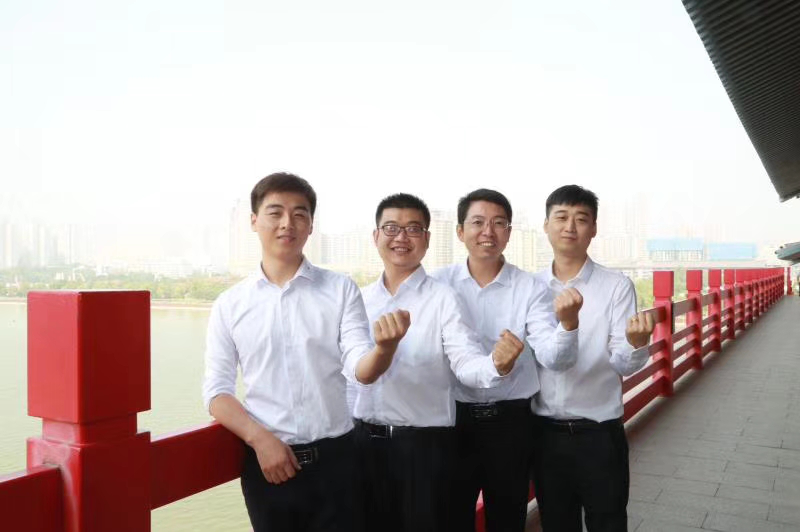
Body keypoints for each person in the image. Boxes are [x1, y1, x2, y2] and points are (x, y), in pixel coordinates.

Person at [202, 172, 410, 532]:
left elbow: (360, 368)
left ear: (311, 225)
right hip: (268, 464)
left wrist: (385, 349)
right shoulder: (230, 305)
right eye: (275, 212)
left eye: (299, 214)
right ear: (253, 221)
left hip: (339, 462)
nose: (288, 223)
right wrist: (259, 439)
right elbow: (216, 392)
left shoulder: (340, 289)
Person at [351, 193, 525, 532]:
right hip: (364, 446)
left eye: (413, 228)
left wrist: (496, 365)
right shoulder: (359, 300)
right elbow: (348, 378)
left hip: (425, 449)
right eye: (391, 228)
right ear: (375, 236)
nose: (402, 237)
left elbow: (465, 362)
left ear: (427, 239)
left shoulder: (444, 298)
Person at [432, 188, 579, 532]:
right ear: (460, 231)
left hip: (511, 424)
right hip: (453, 421)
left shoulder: (530, 288)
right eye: (478, 222)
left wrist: (569, 325)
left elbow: (552, 357)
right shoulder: (438, 284)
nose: (488, 231)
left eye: (499, 223)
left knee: (508, 518)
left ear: (509, 232)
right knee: (451, 517)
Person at [531, 184, 655, 532]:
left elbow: (622, 364)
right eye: (561, 217)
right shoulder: (530, 287)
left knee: (608, 522)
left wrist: (636, 344)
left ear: (594, 228)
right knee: (556, 523)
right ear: (546, 225)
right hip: (545, 434)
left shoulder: (616, 285)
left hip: (599, 434)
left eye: (581, 218)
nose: (570, 226)